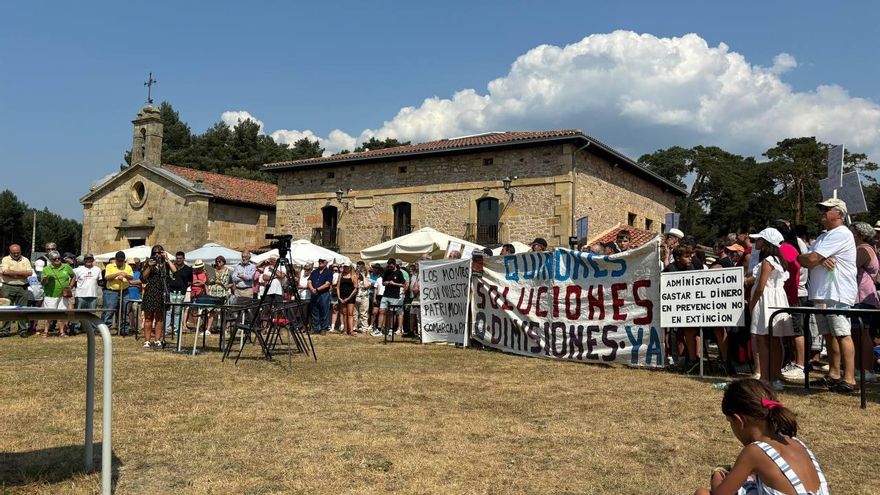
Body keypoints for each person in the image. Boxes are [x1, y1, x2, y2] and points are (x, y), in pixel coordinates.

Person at [693, 379, 828, 495]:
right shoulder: (794, 442)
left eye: (730, 422)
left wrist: (717, 474)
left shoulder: (754, 452)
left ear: (739, 421)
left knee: (702, 493)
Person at [797, 198, 858, 394]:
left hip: (836, 292)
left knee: (842, 334)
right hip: (823, 293)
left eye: (827, 209)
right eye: (821, 208)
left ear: (839, 213)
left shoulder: (841, 233)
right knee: (828, 335)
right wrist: (815, 259)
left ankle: (849, 378)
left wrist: (815, 259)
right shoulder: (824, 237)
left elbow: (811, 258)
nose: (822, 212)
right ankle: (833, 374)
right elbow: (804, 259)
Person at [748, 228, 793, 392]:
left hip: (766, 300)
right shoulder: (777, 260)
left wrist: (752, 304)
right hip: (777, 299)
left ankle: (767, 377)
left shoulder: (768, 261)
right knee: (775, 340)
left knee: (763, 339)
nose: (755, 243)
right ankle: (774, 376)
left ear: (766, 242)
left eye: (758, 240)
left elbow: (761, 287)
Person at [849, 221, 878, 382]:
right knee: (856, 333)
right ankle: (860, 368)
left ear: (859, 234)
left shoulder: (862, 249)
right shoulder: (865, 248)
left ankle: (867, 368)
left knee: (863, 333)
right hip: (860, 295)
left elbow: (850, 266)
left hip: (862, 295)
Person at [663, 246, 700, 371]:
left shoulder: (691, 267)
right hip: (672, 309)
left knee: (689, 332)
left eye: (691, 256)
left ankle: (691, 359)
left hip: (687, 308)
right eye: (687, 256)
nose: (690, 259)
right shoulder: (670, 269)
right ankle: (675, 359)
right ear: (678, 258)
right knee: (673, 334)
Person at [141, 245, 176, 348]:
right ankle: (147, 340)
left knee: (159, 318)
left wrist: (167, 259)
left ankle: (157, 340)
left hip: (162, 292)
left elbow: (175, 271)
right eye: (155, 252)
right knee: (148, 318)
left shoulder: (165, 264)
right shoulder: (147, 263)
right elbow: (143, 278)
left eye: (159, 252)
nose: (157, 254)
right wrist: (150, 266)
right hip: (151, 292)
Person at [0, 244, 34, 337]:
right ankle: (5, 330)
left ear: (20, 251)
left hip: (22, 287)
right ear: (9, 252)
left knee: (22, 310)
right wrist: (22, 274)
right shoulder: (5, 259)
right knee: (7, 309)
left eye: (18, 252)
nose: (16, 254)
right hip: (8, 287)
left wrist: (13, 273)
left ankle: (22, 330)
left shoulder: (25, 259)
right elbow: (5, 271)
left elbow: (30, 272)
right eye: (14, 253)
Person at [39, 251, 74, 337]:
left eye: (59, 258)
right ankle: (46, 331)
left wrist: (70, 286)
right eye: (55, 259)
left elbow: (73, 276)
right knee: (49, 314)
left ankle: (61, 332)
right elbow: (43, 283)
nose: (57, 260)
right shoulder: (46, 269)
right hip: (51, 295)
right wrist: (45, 279)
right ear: (51, 260)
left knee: (62, 314)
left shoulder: (66, 267)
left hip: (63, 295)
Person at [103, 250, 133, 335]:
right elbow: (107, 277)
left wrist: (125, 275)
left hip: (125, 291)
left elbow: (131, 277)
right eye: (118, 261)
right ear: (115, 259)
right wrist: (118, 274)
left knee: (124, 311)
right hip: (112, 292)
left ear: (124, 260)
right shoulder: (110, 266)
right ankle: (106, 330)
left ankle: (124, 330)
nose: (120, 262)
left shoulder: (127, 267)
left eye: (121, 261)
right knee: (110, 311)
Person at [73, 253, 103, 332]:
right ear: (84, 260)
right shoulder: (77, 270)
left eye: (90, 259)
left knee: (92, 313)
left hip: (93, 295)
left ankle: (91, 329)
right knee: (78, 313)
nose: (88, 261)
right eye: (87, 259)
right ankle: (75, 328)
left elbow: (99, 281)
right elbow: (74, 282)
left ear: (93, 260)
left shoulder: (97, 269)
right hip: (80, 295)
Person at [379, 258, 408, 336]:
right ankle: (379, 329)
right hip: (386, 295)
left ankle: (391, 329)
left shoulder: (399, 273)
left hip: (394, 296)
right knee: (381, 311)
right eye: (388, 266)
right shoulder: (387, 272)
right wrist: (387, 282)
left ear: (395, 265)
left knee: (392, 313)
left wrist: (394, 284)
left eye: (391, 266)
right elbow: (383, 283)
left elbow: (403, 284)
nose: (390, 267)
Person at [166, 251, 192, 334]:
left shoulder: (188, 269)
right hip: (170, 291)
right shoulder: (170, 266)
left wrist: (183, 287)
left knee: (178, 311)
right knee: (168, 311)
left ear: (184, 258)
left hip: (181, 292)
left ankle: (176, 330)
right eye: (177, 258)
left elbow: (190, 281)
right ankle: (166, 330)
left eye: (180, 258)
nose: (179, 260)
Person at [308, 258, 334, 334]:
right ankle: (315, 328)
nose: (320, 262)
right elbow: (309, 281)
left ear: (326, 263)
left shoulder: (329, 272)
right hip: (314, 293)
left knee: (324, 311)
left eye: (322, 261)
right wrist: (312, 289)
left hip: (324, 294)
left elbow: (327, 284)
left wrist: (317, 289)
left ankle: (323, 328)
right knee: (314, 311)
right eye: (319, 261)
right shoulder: (314, 272)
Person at [336, 262, 358, 336]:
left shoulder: (353, 276)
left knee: (350, 314)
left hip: (350, 297)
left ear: (350, 267)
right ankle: (345, 330)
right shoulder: (341, 275)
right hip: (342, 297)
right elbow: (338, 287)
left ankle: (351, 330)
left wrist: (349, 298)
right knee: (344, 313)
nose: (345, 268)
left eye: (347, 266)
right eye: (344, 266)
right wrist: (339, 297)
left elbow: (355, 288)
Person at [354, 261, 371, 333]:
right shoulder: (356, 278)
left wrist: (363, 276)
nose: (361, 272)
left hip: (364, 298)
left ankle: (364, 328)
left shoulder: (367, 278)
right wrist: (357, 276)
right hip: (356, 297)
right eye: (360, 271)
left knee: (363, 314)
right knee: (355, 314)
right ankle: (354, 327)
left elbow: (366, 285)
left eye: (362, 271)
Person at [127, 258, 143, 337]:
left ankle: (138, 329)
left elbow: (140, 282)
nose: (132, 266)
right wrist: (134, 283)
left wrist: (130, 283)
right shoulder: (126, 273)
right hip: (127, 296)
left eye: (133, 265)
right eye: (130, 265)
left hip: (136, 297)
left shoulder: (138, 273)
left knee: (136, 313)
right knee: (129, 314)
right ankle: (130, 328)